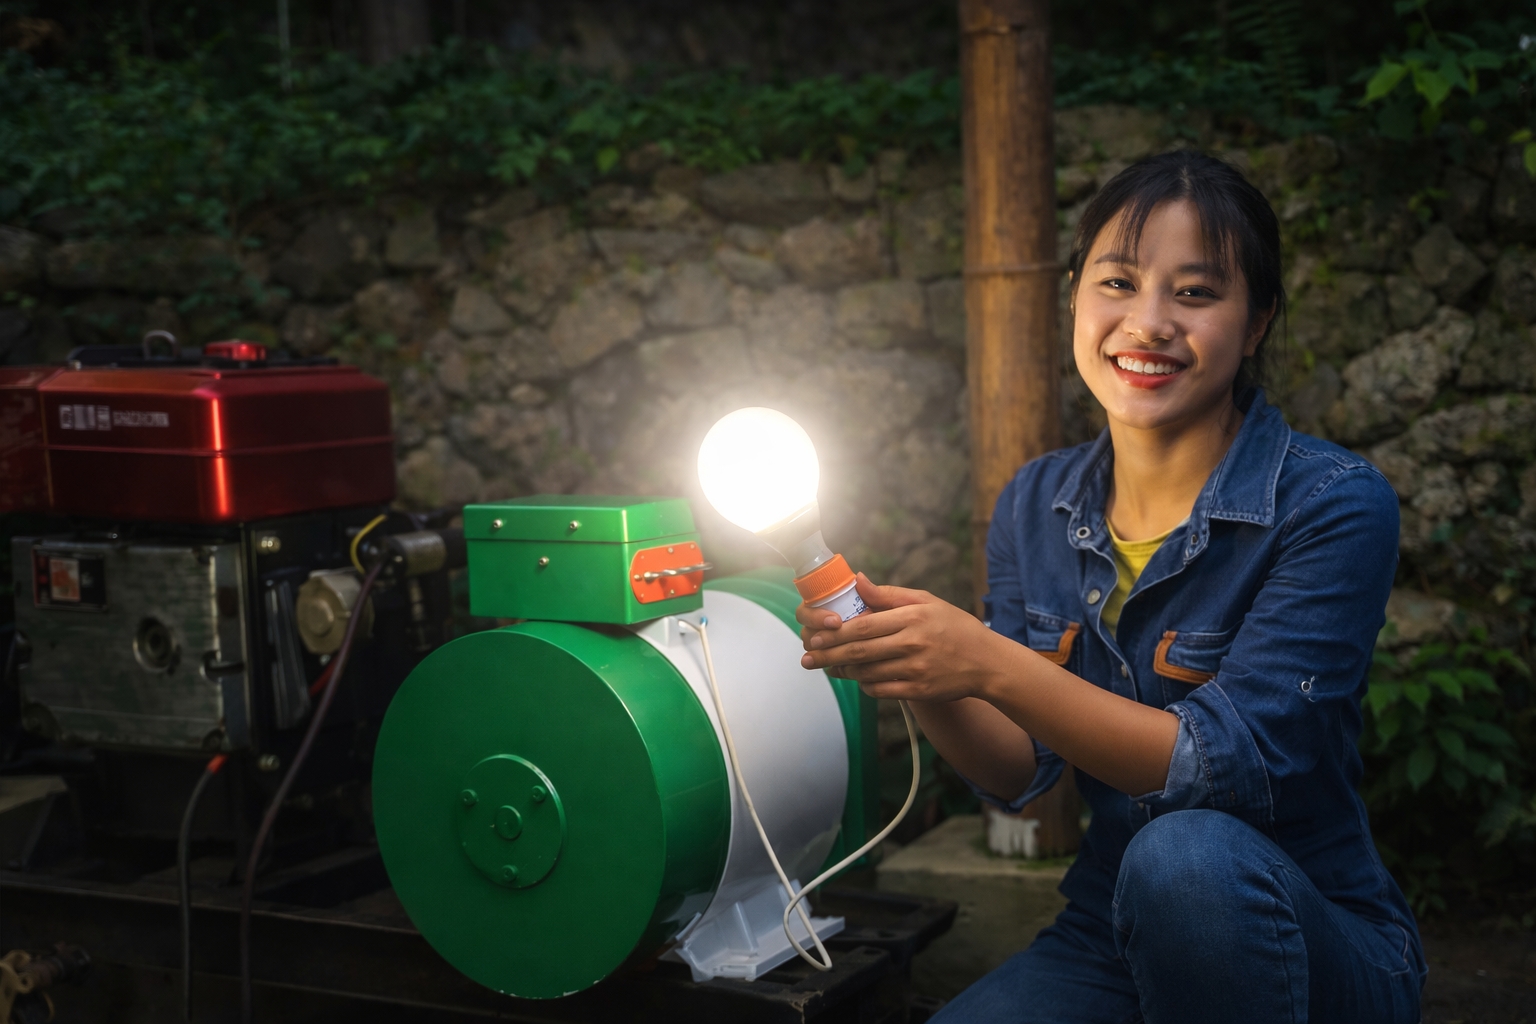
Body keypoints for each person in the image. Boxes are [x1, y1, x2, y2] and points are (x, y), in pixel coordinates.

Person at [796, 151, 1426, 1023]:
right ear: (1075, 299)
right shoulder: (1036, 502)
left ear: (1256, 324)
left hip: (1306, 936)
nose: (1150, 322)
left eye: (1196, 294)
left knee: (1186, 857)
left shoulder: (1331, 505)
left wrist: (982, 659)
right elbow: (1015, 770)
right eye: (1118, 282)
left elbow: (1217, 769)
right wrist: (918, 671)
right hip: (1110, 930)